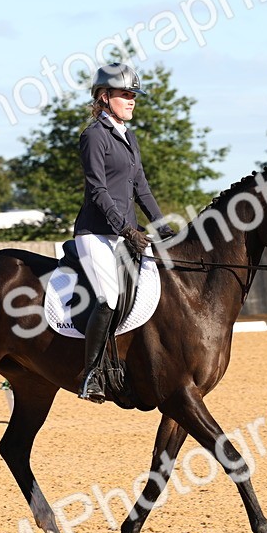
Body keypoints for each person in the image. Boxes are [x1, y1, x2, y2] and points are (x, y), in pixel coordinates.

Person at [74, 62, 175, 403]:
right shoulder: (94, 136)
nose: (132, 100)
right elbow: (97, 191)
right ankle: (90, 375)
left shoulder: (128, 136)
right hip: (96, 233)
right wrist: (126, 229)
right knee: (110, 298)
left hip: (125, 232)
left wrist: (163, 226)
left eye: (134, 95)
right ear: (104, 97)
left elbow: (140, 186)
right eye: (126, 94)